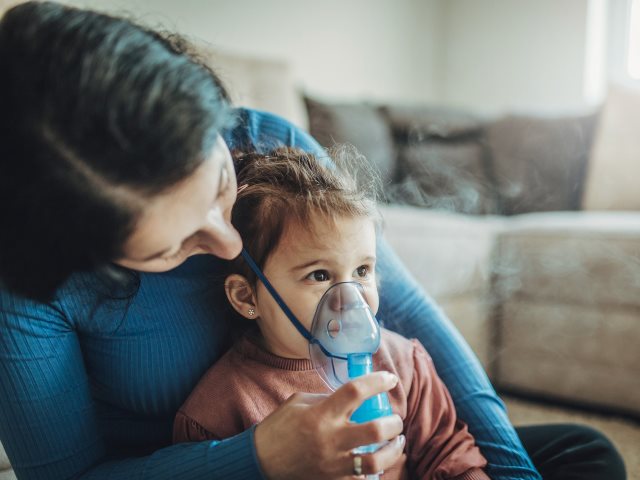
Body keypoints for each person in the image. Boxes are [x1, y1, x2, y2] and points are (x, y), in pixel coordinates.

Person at [0, 2, 625, 480]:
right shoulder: (28, 283)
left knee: (583, 452)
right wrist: (258, 456)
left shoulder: (267, 145)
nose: (226, 246)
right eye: (173, 245)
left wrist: (510, 467)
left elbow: (407, 314)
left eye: (221, 186)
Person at [173, 146, 491, 480]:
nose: (348, 298)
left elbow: (450, 454)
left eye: (363, 271)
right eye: (320, 275)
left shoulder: (402, 364)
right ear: (245, 295)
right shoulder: (219, 409)